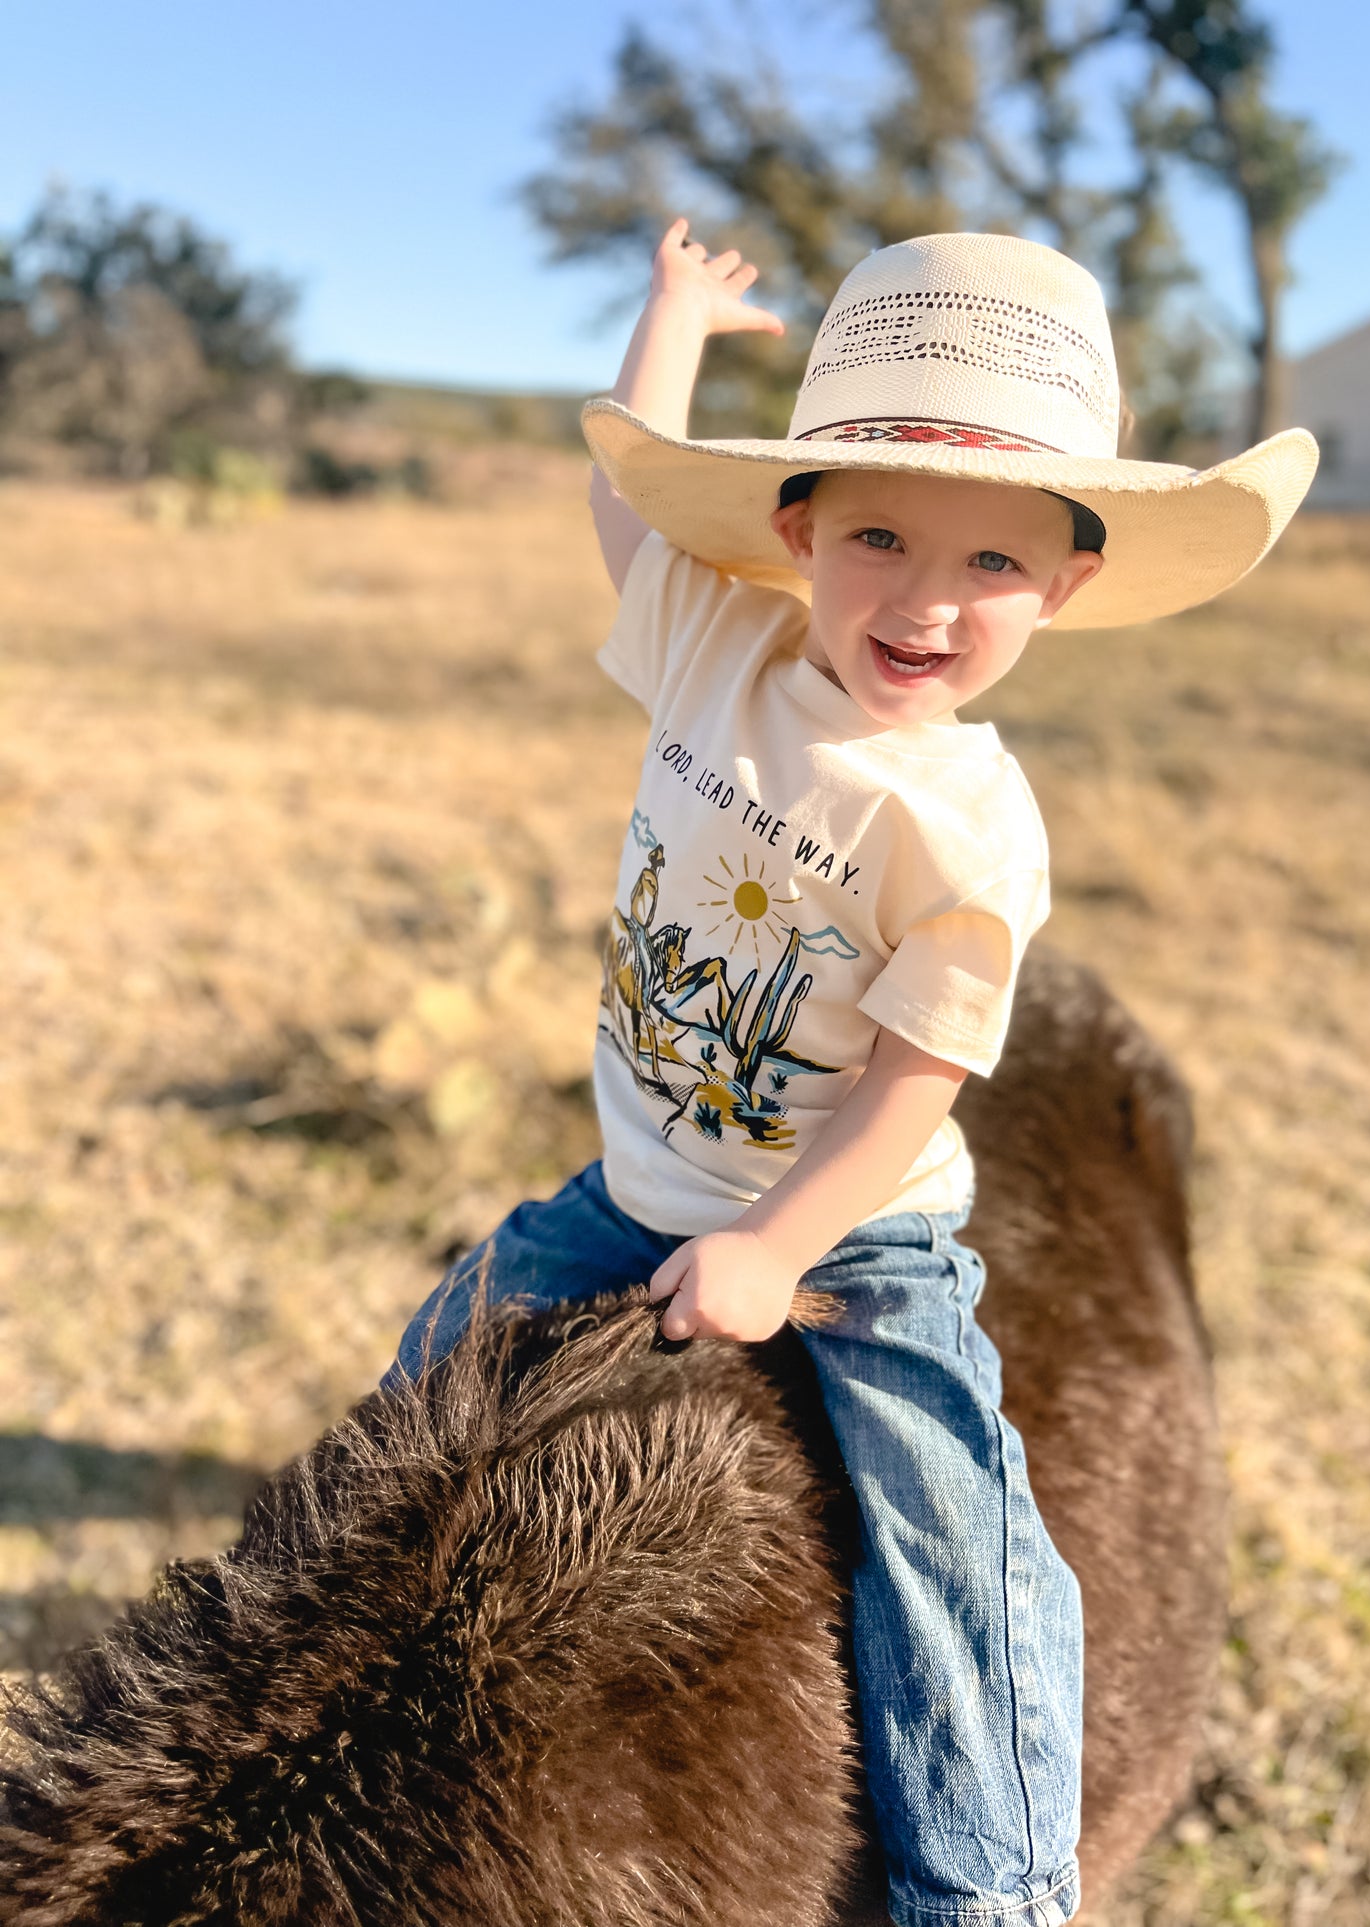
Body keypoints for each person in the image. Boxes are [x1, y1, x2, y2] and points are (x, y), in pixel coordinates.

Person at [387, 220, 1317, 1926]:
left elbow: (910, 1083)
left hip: (857, 1232)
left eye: (992, 562)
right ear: (795, 530)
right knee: (423, 1379)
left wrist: (773, 1252)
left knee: (954, 1545)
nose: (926, 598)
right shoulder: (719, 648)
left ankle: (991, 1883)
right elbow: (627, 502)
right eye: (879, 534)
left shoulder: (964, 831)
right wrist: (670, 319)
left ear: (1066, 586)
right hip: (635, 1190)